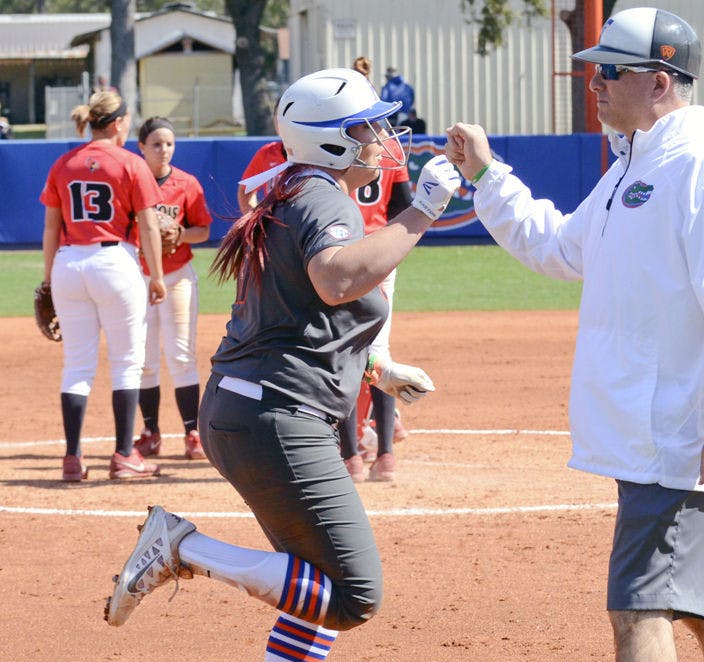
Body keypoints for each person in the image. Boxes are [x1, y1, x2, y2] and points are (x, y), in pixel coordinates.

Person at [445, 7, 704, 661]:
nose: (594, 83)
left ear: (658, 81)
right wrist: (488, 178)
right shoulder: (632, 169)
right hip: (653, 436)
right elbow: (559, 248)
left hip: (682, 438)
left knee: (637, 610)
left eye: (609, 70)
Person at [103, 68, 461, 659]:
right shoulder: (320, 195)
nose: (381, 137)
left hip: (253, 408)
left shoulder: (298, 189)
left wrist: (376, 365)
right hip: (275, 416)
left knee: (311, 585)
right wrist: (421, 211)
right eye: (367, 126)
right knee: (352, 597)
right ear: (332, 140)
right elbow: (336, 277)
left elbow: (296, 311)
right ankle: (180, 549)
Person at [39, 90, 167, 482]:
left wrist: (48, 281)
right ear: (116, 124)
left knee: (77, 364)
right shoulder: (130, 162)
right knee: (126, 363)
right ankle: (125, 455)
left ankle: (73, 459)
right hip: (114, 262)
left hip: (69, 262)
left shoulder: (64, 162)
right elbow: (148, 224)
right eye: (126, 121)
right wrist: (158, 275)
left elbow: (51, 227)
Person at [132, 117, 213, 462]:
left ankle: (192, 432)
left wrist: (179, 233)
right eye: (156, 144)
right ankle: (150, 432)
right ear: (141, 147)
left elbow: (204, 230)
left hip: (177, 274)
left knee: (180, 355)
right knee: (144, 360)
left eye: (169, 144)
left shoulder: (186, 183)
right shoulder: (131, 181)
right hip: (137, 275)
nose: (163, 150)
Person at [340, 147, 414, 483]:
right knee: (376, 353)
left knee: (342, 352)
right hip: (381, 254)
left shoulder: (332, 140)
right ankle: (385, 456)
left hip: (340, 252)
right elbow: (402, 207)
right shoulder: (391, 149)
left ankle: (350, 458)